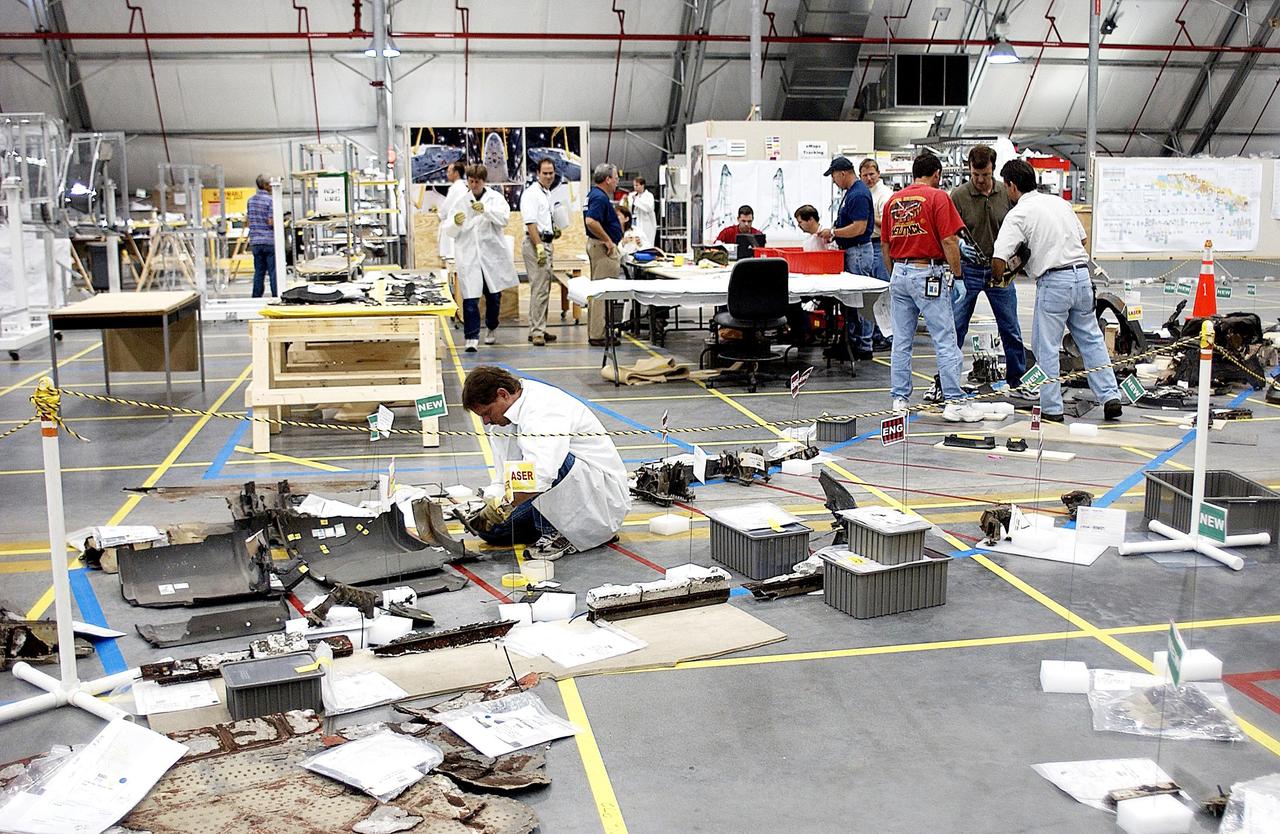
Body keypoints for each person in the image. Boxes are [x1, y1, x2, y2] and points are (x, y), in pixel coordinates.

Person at [992, 159, 1122, 423]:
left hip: (1054, 282)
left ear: (1012, 186)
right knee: (1092, 340)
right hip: (1081, 276)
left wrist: (999, 277)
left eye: (1006, 187)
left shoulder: (1018, 214)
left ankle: (1052, 408)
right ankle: (1110, 396)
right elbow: (1082, 239)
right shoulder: (1059, 203)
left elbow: (999, 259)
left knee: (1046, 347)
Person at [461, 365, 630, 559]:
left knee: (544, 464)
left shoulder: (543, 409)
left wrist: (503, 505)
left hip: (599, 495)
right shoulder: (504, 421)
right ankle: (567, 526)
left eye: (487, 412)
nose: (485, 421)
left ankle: (559, 534)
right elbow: (504, 477)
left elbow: (541, 474)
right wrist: (491, 503)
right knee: (490, 530)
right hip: (563, 489)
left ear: (503, 394)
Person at [881, 152, 982, 422]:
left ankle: (899, 400)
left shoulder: (893, 201)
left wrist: (896, 274)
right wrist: (958, 276)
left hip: (899, 272)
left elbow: (885, 245)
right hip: (928, 273)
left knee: (901, 341)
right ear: (937, 174)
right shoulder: (938, 197)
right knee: (945, 339)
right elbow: (949, 240)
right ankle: (954, 401)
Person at [950, 145, 1026, 388]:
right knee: (955, 328)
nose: (980, 180)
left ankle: (1018, 381)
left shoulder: (1007, 193)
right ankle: (947, 382)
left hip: (999, 271)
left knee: (1010, 328)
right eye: (975, 174)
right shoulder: (958, 196)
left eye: (985, 174)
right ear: (969, 170)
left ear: (993, 169)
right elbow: (948, 232)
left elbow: (1020, 227)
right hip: (969, 270)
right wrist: (960, 244)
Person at [443, 164, 518, 353]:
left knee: (494, 297)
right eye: (471, 181)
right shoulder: (460, 201)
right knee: (470, 300)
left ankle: (491, 327)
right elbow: (449, 230)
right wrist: (455, 223)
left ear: (484, 181)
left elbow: (504, 219)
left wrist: (486, 210)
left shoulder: (495, 199)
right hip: (469, 256)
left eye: (477, 181)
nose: (474, 185)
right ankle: (471, 337)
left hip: (491, 256)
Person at [826, 156, 879, 361]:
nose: (833, 181)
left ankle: (864, 345)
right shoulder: (852, 193)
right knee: (853, 301)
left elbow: (859, 227)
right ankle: (854, 341)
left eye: (833, 176)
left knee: (859, 300)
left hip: (858, 252)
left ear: (842, 173)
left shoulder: (858, 194)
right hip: (853, 251)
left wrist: (834, 233)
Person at [519, 157, 561, 347]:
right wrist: (539, 246)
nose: (549, 176)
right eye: (545, 173)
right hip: (536, 243)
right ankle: (537, 332)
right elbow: (531, 223)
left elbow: (542, 220)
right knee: (539, 289)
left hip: (545, 242)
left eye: (551, 173)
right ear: (537, 173)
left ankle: (539, 328)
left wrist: (552, 230)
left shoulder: (546, 193)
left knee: (544, 288)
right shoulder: (532, 194)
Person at [584, 162, 623, 347]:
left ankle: (596, 331)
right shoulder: (599, 197)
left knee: (598, 292)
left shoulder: (595, 195)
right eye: (615, 178)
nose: (617, 181)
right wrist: (607, 240)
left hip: (598, 246)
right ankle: (598, 334)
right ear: (607, 179)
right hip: (602, 249)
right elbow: (591, 221)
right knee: (602, 292)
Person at [246, 175, 276, 297]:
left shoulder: (250, 200)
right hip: (269, 241)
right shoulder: (270, 200)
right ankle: (276, 295)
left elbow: (248, 221)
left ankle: (256, 296)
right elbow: (270, 221)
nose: (271, 187)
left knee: (259, 271)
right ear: (265, 185)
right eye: (270, 184)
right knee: (273, 272)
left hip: (255, 241)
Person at [437, 161, 469, 261]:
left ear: (456, 173)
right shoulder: (462, 187)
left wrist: (440, 214)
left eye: (449, 171)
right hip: (457, 225)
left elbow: (446, 207)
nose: (447, 174)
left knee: (451, 255)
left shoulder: (456, 188)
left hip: (452, 224)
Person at [625, 176, 657, 249]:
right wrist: (626, 199)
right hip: (634, 221)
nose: (635, 187)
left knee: (646, 243)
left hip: (646, 224)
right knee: (634, 241)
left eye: (637, 185)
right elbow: (628, 207)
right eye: (634, 185)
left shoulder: (649, 196)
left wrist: (636, 200)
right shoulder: (632, 195)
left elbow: (649, 208)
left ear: (642, 185)